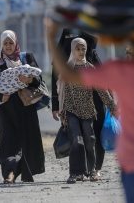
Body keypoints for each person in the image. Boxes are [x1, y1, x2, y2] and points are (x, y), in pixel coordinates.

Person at [46, 18, 134, 202]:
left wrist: (50, 37)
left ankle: (88, 170)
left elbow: (68, 74)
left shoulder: (121, 71)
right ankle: (81, 171)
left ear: (131, 49)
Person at [0, 30, 45, 183]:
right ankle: (9, 173)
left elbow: (38, 79)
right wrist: (0, 96)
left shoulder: (26, 57)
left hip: (26, 107)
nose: (8, 46)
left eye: (11, 43)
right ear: (1, 45)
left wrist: (29, 80)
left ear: (16, 43)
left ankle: (26, 173)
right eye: (5, 43)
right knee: (9, 141)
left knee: (27, 140)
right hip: (7, 108)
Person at [55, 37, 116, 184]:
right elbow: (60, 91)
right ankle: (75, 173)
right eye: (78, 49)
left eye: (83, 49)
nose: (81, 52)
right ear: (72, 50)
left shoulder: (90, 68)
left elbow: (101, 90)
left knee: (90, 140)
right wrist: (60, 110)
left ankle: (92, 170)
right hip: (71, 110)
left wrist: (112, 106)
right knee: (76, 140)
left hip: (88, 110)